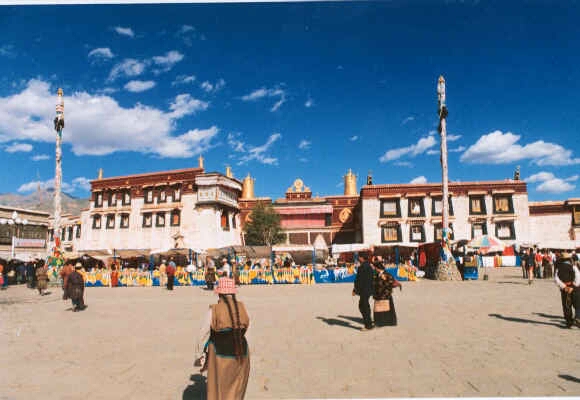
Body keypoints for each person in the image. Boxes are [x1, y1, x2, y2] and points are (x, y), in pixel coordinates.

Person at [195, 277, 250, 400]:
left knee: (218, 389)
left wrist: (199, 355)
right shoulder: (241, 307)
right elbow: (246, 325)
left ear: (219, 293)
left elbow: (203, 334)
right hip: (242, 352)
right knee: (236, 387)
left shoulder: (214, 309)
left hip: (219, 353)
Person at [554, 252, 580, 328]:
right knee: (578, 304)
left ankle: (569, 322)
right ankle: (578, 317)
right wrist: (574, 286)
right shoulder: (573, 267)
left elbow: (556, 279)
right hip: (575, 288)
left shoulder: (558, 267)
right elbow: (578, 277)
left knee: (566, 306)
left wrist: (564, 287)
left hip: (565, 289)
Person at [352, 254, 375, 331]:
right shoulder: (369, 266)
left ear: (362, 258)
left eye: (359, 257)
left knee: (363, 306)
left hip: (363, 290)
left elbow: (359, 280)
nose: (358, 258)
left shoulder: (361, 267)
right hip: (369, 289)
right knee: (365, 305)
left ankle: (368, 325)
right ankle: (369, 322)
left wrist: (355, 290)